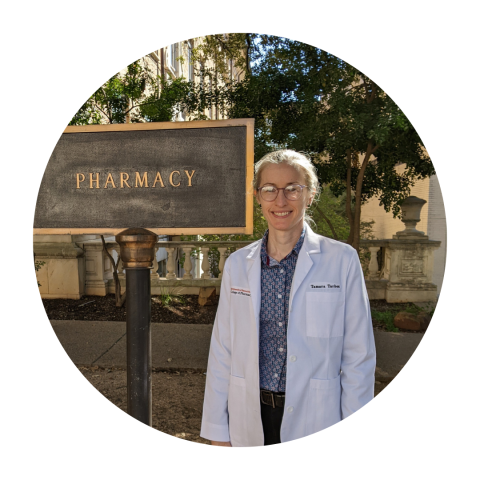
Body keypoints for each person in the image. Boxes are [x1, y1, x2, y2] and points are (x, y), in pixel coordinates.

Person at [200, 150, 376, 447]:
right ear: (258, 197)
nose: (280, 201)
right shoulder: (238, 265)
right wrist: (218, 431)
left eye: (293, 189)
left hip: (319, 417)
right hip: (250, 413)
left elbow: (358, 356)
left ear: (310, 195)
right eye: (269, 190)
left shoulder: (342, 260)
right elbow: (222, 353)